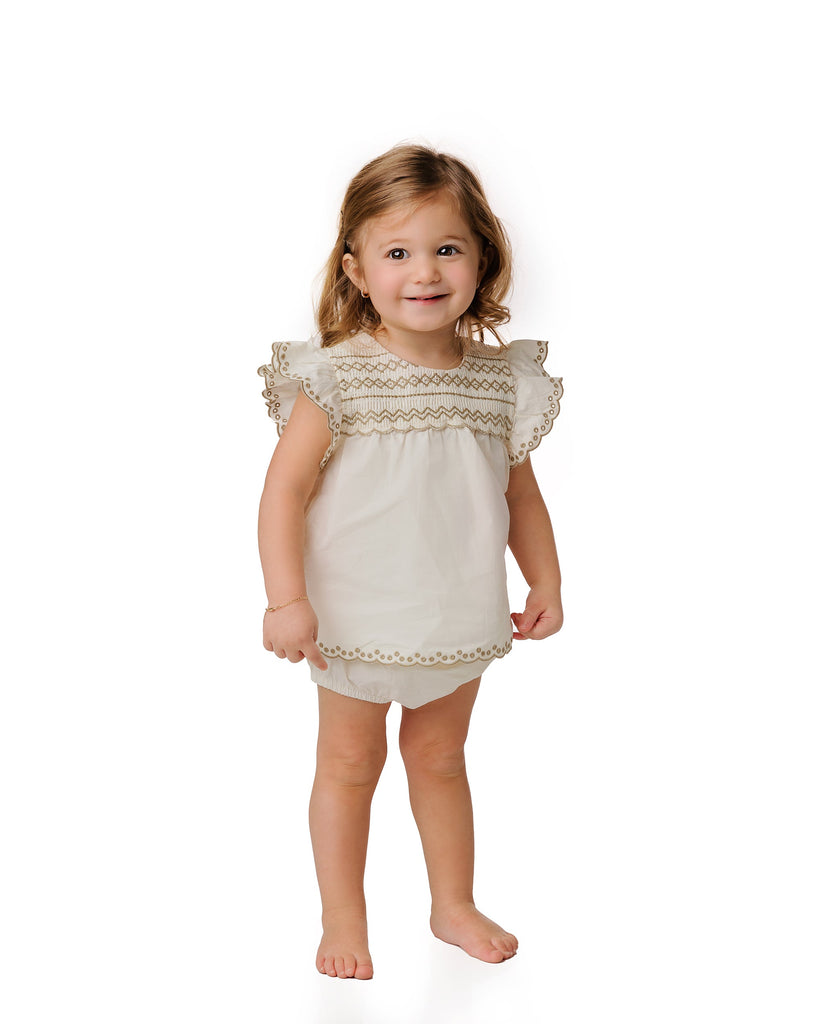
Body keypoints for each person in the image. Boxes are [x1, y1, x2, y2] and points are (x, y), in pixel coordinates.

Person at [257, 144, 564, 980]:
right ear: (356, 270)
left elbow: (520, 494)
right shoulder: (337, 378)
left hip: (455, 603)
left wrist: (544, 578)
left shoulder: (496, 383)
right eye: (397, 252)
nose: (424, 272)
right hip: (353, 609)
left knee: (440, 759)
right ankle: (343, 916)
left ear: (480, 259)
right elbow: (282, 493)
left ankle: (451, 902)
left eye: (446, 248)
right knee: (349, 765)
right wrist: (285, 600)